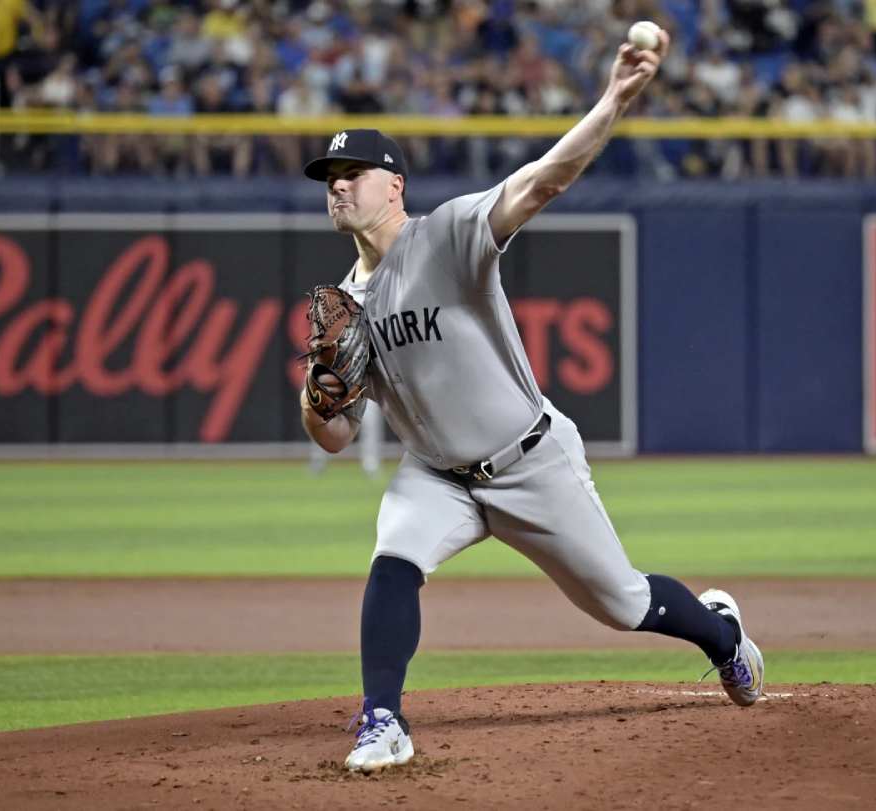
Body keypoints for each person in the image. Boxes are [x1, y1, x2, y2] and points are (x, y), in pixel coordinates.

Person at [298, 27, 765, 776]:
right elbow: (334, 437)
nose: (339, 185)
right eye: (330, 175)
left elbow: (542, 180)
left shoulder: (447, 236)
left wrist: (614, 97)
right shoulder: (345, 306)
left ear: (396, 186)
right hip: (437, 475)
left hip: (528, 458)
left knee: (622, 602)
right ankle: (382, 719)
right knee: (394, 556)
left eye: (354, 171)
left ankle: (723, 634)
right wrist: (318, 392)